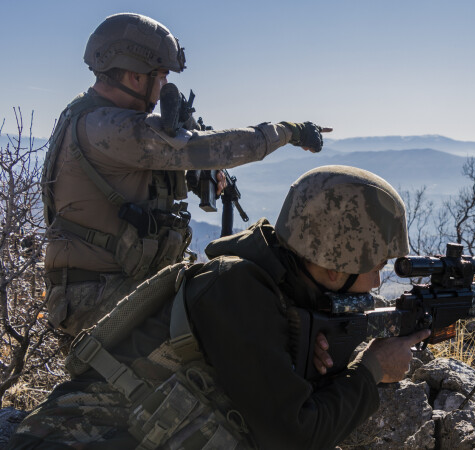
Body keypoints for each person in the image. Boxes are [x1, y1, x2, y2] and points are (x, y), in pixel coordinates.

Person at [9, 165, 430, 449]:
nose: (377, 281)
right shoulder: (236, 289)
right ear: (334, 264)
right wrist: (373, 369)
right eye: (373, 265)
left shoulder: (276, 284)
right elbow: (294, 436)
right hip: (75, 438)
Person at [42, 12, 328, 337]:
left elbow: (133, 173)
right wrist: (289, 131)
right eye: (161, 76)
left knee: (243, 284)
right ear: (136, 75)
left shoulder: (97, 117)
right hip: (99, 299)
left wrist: (191, 178)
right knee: (238, 327)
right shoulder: (107, 127)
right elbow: (212, 147)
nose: (164, 86)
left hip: (121, 286)